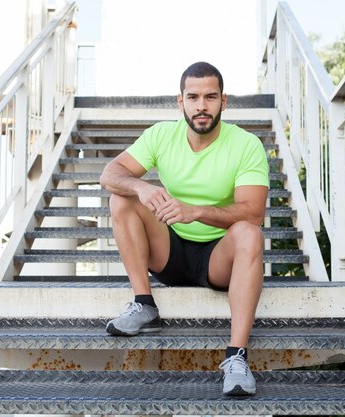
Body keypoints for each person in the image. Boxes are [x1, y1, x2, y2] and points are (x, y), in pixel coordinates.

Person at [99, 61, 269, 396]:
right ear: (181, 102)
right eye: (193, 97)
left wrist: (196, 211)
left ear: (224, 101)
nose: (201, 106)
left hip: (218, 258)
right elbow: (110, 174)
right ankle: (144, 303)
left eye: (210, 97)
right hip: (169, 252)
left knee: (250, 233)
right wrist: (142, 188)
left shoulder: (246, 144)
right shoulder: (162, 134)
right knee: (120, 198)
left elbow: (253, 213)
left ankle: (236, 357)